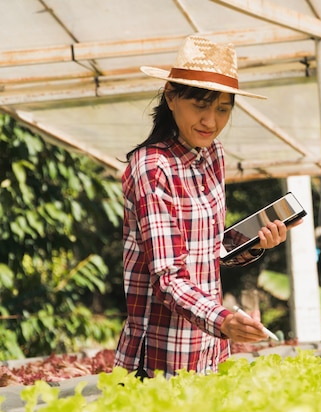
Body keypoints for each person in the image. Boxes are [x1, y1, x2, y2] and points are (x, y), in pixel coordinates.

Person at [114, 34, 300, 378]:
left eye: (223, 109)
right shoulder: (152, 167)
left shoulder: (213, 155)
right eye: (200, 105)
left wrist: (257, 242)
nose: (211, 122)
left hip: (211, 353)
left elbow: (211, 251)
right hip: (161, 359)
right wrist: (223, 319)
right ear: (171, 96)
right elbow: (168, 277)